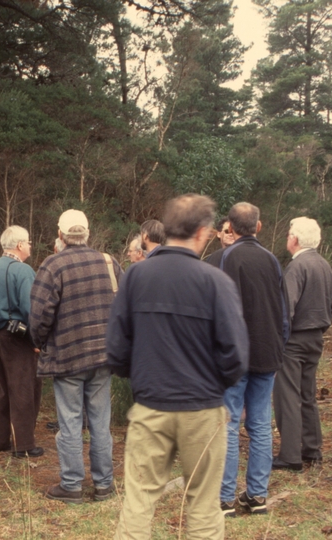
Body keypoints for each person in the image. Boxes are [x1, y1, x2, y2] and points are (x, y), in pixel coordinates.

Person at [107, 194, 249, 540]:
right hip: (202, 410)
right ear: (202, 233)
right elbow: (236, 355)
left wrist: (141, 377)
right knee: (202, 503)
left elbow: (115, 348)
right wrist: (214, 385)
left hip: (151, 405)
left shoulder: (136, 276)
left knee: (138, 501)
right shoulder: (215, 281)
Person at [29, 209, 121, 503]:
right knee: (100, 422)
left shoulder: (53, 266)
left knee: (69, 423)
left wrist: (40, 342)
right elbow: (125, 306)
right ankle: (104, 484)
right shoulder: (109, 262)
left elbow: (39, 316)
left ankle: (71, 485)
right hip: (104, 357)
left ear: (60, 235)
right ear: (88, 233)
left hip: (68, 357)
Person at [212, 202, 288, 517]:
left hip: (238, 356)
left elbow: (222, 311)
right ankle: (257, 496)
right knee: (259, 424)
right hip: (267, 353)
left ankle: (226, 499)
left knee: (230, 425)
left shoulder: (228, 258)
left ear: (230, 226)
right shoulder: (272, 260)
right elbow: (284, 314)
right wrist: (278, 345)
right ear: (258, 226)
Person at [272, 217, 332, 470]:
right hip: (316, 337)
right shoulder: (324, 265)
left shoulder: (296, 267)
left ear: (295, 239)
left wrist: (280, 340)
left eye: (289, 234)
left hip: (295, 339)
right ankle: (312, 449)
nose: (287, 238)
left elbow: (286, 308)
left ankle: (290, 456)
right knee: (307, 395)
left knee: (287, 396)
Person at [0, 225, 43, 457]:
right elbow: (30, 309)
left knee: (1, 388)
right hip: (17, 338)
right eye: (27, 242)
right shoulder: (23, 271)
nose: (30, 246)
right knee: (24, 387)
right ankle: (24, 445)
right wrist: (37, 340)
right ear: (18, 245)